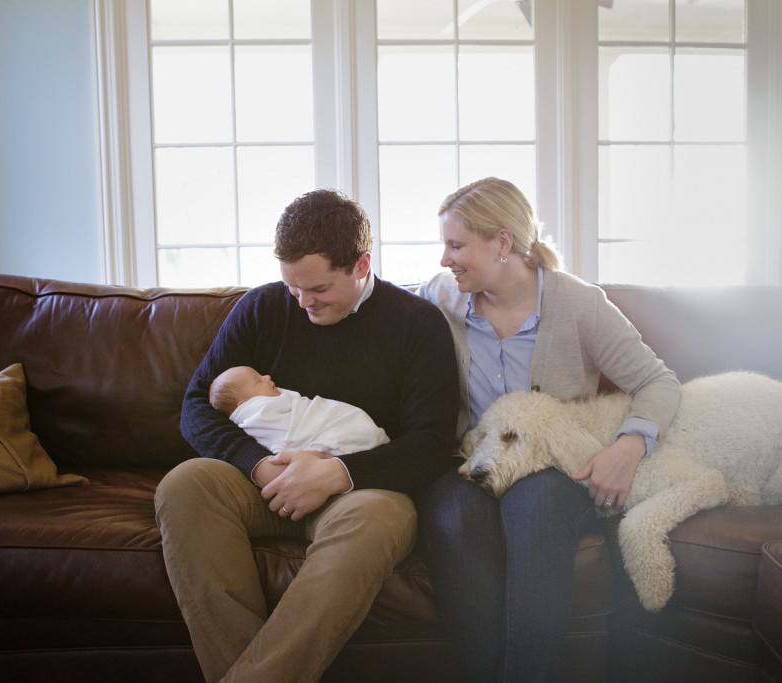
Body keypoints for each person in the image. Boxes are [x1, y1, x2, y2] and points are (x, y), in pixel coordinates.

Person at [155, 188, 460, 683]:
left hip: (364, 493)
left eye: (318, 289)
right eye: (293, 287)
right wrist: (256, 463)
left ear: (361, 265)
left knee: (374, 521)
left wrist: (338, 474)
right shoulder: (262, 309)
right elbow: (195, 407)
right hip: (264, 480)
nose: (302, 302)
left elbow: (431, 444)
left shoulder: (417, 324)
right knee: (186, 485)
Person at [418, 177, 682, 682]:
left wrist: (630, 444)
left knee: (533, 510)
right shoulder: (441, 299)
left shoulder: (579, 304)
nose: (444, 259)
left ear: (502, 242)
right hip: (468, 460)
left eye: (456, 245)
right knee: (454, 520)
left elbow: (657, 381)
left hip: (551, 469)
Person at [209, 365, 390, 457]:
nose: (267, 377)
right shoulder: (257, 413)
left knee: (353, 423)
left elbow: (305, 409)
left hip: (336, 420)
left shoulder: (275, 399)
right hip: (314, 445)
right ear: (244, 405)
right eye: (258, 380)